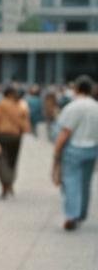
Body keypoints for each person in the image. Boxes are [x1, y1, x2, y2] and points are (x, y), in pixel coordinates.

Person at [52, 75, 98, 231]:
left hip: (73, 149)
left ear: (76, 89)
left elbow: (65, 131)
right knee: (85, 183)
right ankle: (81, 213)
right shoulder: (95, 107)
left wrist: (56, 153)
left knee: (71, 182)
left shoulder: (72, 107)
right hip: (92, 149)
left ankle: (72, 214)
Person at [0, 85, 31, 198]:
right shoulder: (20, 106)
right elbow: (25, 122)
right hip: (16, 135)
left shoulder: (0, 105)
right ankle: (10, 183)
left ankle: (5, 184)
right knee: (13, 160)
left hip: (2, 135)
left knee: (2, 160)